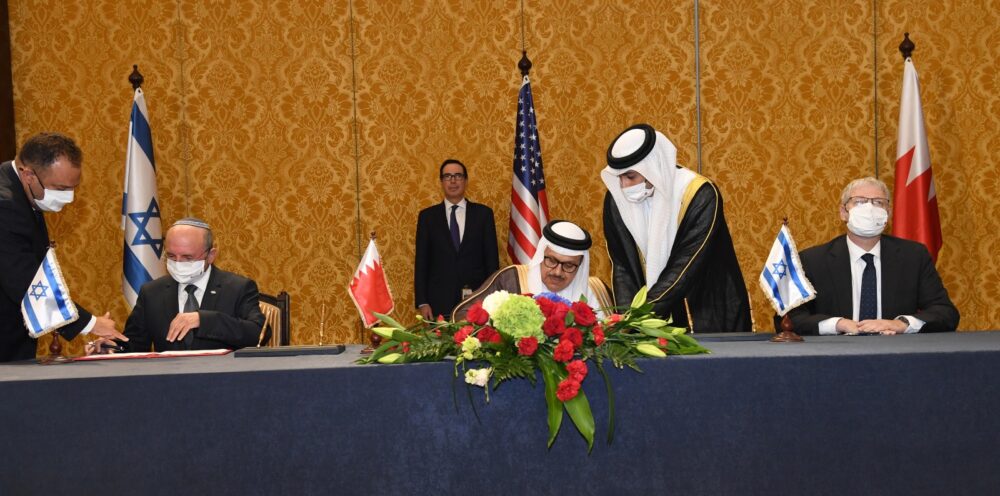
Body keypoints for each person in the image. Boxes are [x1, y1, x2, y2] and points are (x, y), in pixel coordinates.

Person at [602, 123, 751, 332]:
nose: (624, 186)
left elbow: (684, 268)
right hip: (648, 318)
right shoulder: (617, 199)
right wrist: (628, 325)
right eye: (619, 177)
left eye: (630, 176)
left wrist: (636, 319)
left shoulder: (699, 195)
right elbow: (623, 267)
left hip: (706, 313)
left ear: (652, 168)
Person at [0, 132, 125, 362]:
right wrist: (91, 323)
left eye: (73, 188)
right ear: (28, 174)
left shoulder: (19, 192)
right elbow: (27, 283)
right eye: (59, 188)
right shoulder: (5, 206)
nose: (68, 198)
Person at [788, 177, 959, 335]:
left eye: (878, 202)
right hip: (835, 355)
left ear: (888, 213)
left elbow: (945, 313)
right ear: (843, 212)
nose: (869, 209)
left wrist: (902, 323)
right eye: (859, 202)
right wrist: (838, 324)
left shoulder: (913, 256)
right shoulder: (813, 260)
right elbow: (789, 318)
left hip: (897, 355)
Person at [117, 218, 266, 351]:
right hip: (168, 378)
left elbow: (258, 334)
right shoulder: (151, 292)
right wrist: (110, 347)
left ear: (211, 255)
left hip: (221, 377)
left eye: (188, 258)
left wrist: (203, 320)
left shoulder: (237, 288)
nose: (178, 263)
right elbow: (134, 344)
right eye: (171, 256)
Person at [452, 220, 612, 320]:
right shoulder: (512, 279)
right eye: (551, 260)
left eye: (568, 265)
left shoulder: (596, 291)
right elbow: (462, 314)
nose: (557, 272)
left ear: (581, 265)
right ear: (541, 255)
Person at [414, 159, 499, 320]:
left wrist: (490, 298)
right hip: (438, 302)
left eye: (458, 176)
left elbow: (491, 261)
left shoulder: (483, 214)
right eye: (447, 176)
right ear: (441, 182)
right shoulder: (427, 217)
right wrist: (422, 302)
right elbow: (421, 262)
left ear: (466, 181)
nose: (453, 181)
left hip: (476, 301)